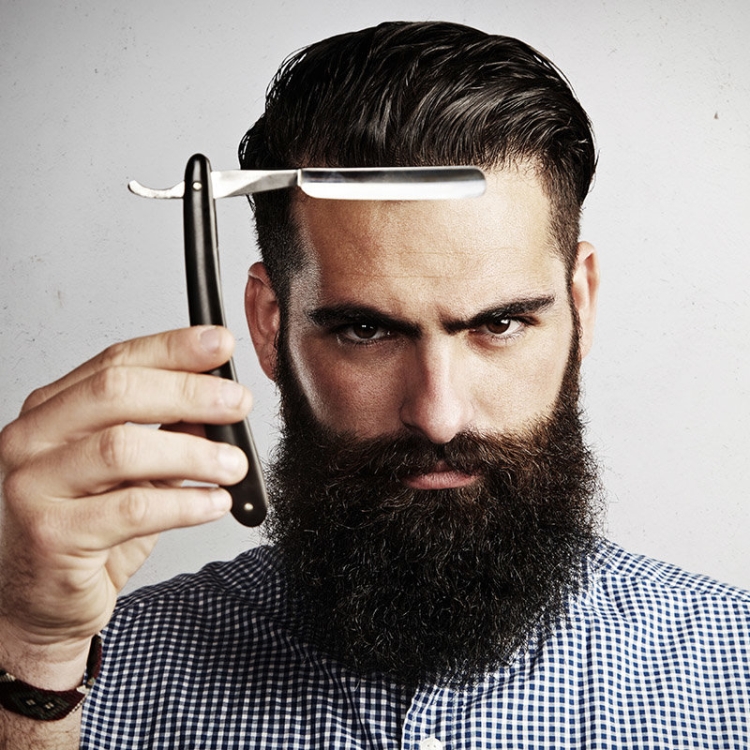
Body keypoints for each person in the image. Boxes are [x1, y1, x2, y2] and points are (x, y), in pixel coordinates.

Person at [0, 20, 748, 749]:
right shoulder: (70, 681)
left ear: (579, 305)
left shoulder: (733, 674)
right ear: (267, 325)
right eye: (366, 331)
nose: (439, 415)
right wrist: (34, 666)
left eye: (501, 324)